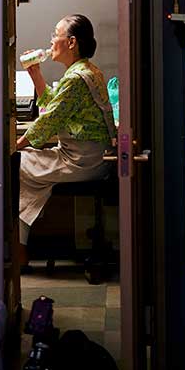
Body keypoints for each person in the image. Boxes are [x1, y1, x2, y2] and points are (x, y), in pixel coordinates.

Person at [16, 14, 116, 268]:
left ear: (71, 42)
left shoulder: (75, 78)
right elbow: (55, 109)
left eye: (55, 35)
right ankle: (20, 245)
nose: (51, 42)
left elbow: (49, 119)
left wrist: (16, 144)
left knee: (16, 164)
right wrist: (36, 75)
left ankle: (18, 246)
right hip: (86, 157)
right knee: (29, 170)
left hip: (81, 161)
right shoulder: (87, 71)